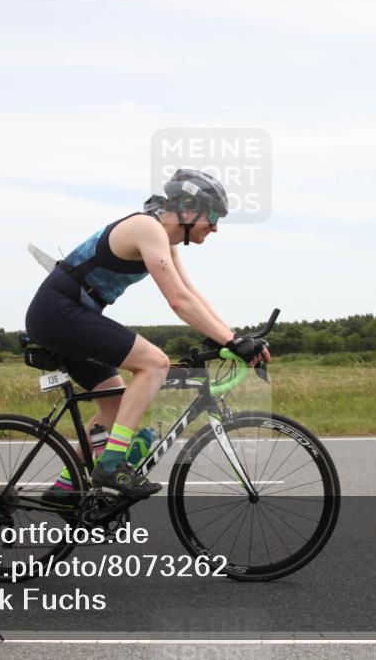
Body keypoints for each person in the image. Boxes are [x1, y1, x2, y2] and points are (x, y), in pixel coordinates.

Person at [25, 168, 271, 500]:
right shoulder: (146, 227)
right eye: (212, 215)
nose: (215, 226)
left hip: (68, 315)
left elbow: (192, 295)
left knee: (117, 409)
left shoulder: (165, 241)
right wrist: (231, 341)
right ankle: (110, 466)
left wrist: (232, 336)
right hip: (57, 312)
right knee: (155, 363)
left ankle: (65, 489)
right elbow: (178, 301)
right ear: (186, 208)